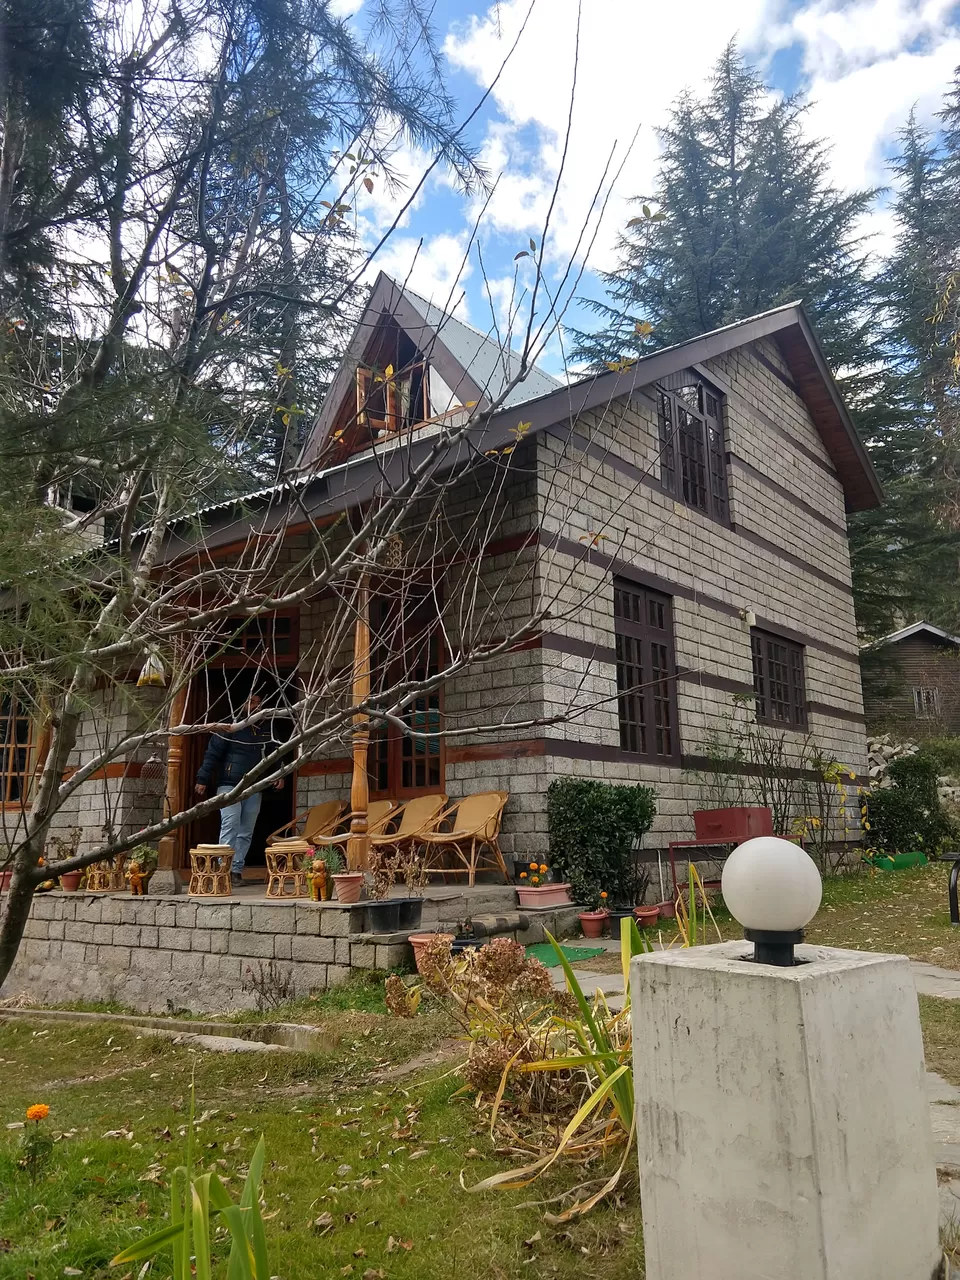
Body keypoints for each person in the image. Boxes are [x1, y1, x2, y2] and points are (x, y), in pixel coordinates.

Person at [194, 690, 284, 887]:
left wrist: (279, 774)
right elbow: (212, 754)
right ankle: (223, 869)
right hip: (229, 784)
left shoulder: (266, 727)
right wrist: (203, 778)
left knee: (246, 831)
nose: (256, 706)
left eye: (259, 702)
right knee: (230, 825)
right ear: (242, 704)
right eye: (251, 701)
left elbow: (276, 752)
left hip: (254, 787)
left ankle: (235, 870)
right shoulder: (230, 726)